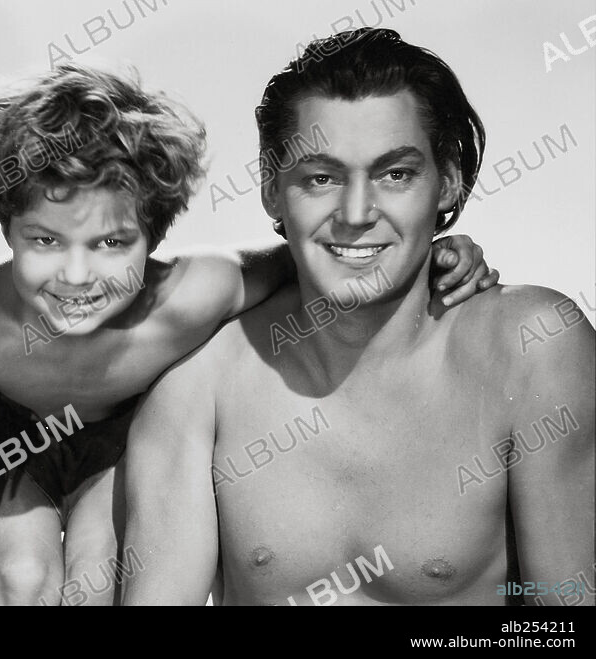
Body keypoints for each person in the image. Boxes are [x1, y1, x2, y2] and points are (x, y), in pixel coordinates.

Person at [0, 62, 500, 605]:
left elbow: (325, 256)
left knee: (93, 581)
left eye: (111, 243)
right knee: (21, 577)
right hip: (18, 439)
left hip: (118, 443)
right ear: (4, 224)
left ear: (154, 235)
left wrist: (433, 250)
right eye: (45, 241)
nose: (77, 275)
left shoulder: (196, 294)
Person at [122, 28, 594, 606]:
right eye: (321, 177)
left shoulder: (532, 346)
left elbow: (563, 628)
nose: (356, 213)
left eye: (395, 174)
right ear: (273, 191)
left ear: (447, 182)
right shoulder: (199, 378)